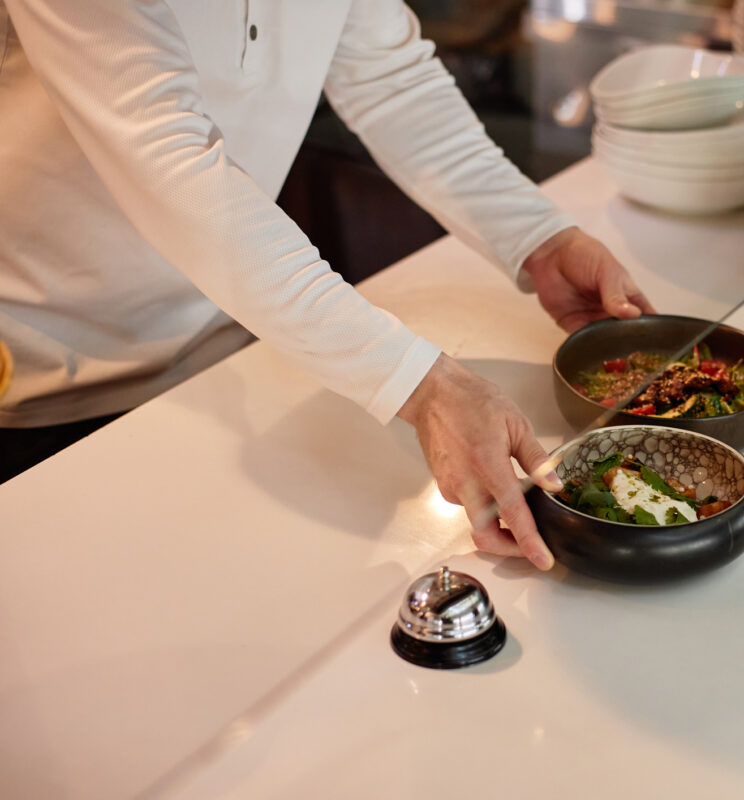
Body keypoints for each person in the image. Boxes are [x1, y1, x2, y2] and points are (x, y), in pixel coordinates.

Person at [0, 1, 655, 569]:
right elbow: (167, 158)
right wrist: (420, 386)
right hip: (45, 378)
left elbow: (390, 79)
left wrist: (538, 238)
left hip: (231, 345)